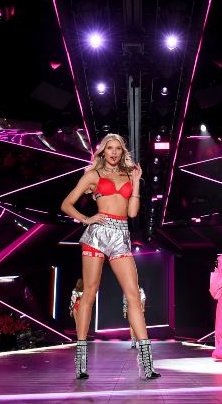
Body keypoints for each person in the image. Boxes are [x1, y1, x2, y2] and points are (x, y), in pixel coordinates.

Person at [61, 133, 160, 380]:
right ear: (102, 151)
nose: (114, 152)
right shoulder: (93, 175)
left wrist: (136, 182)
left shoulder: (128, 175)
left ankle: (147, 365)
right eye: (110, 148)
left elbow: (133, 212)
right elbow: (67, 203)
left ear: (122, 151)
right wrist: (86, 219)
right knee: (89, 293)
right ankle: (81, 361)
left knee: (133, 295)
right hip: (97, 234)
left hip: (121, 236)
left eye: (118, 148)